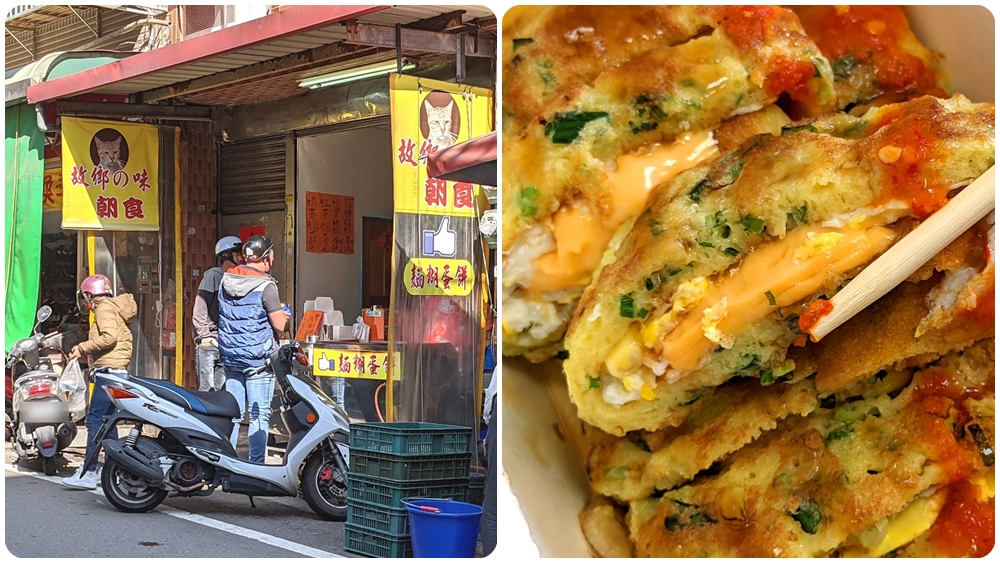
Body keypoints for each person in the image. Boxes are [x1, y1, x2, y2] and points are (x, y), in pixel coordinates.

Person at [217, 234, 289, 463]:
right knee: (259, 416)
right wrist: (285, 316)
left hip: (230, 357)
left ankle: (228, 461)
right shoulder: (266, 286)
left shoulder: (226, 280)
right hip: (256, 361)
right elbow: (279, 325)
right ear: (266, 258)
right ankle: (256, 465)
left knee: (234, 415)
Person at [61, 274, 137, 490]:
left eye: (86, 297)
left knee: (94, 420)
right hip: (115, 371)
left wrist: (83, 347)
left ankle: (89, 471)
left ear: (90, 294)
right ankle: (112, 469)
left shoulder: (103, 307)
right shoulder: (112, 307)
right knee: (108, 424)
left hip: (109, 372)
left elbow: (109, 337)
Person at [192, 236, 243, 392]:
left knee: (223, 391)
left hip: (228, 343)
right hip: (211, 343)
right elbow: (200, 307)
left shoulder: (239, 278)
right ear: (225, 255)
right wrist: (205, 336)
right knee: (207, 390)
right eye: (237, 253)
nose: (241, 257)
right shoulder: (213, 276)